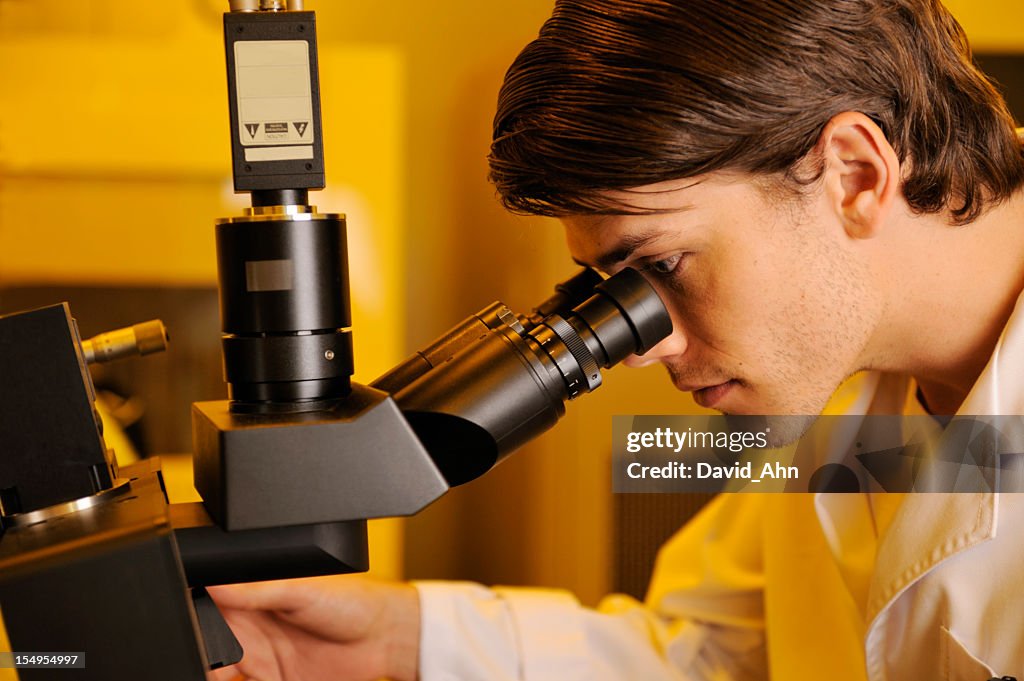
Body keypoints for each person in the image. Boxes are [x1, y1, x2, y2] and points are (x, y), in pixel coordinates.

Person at [209, 0, 1024, 679]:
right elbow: (711, 654)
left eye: (663, 264)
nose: (638, 344)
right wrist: (394, 637)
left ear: (853, 174)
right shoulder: (843, 363)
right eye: (611, 291)